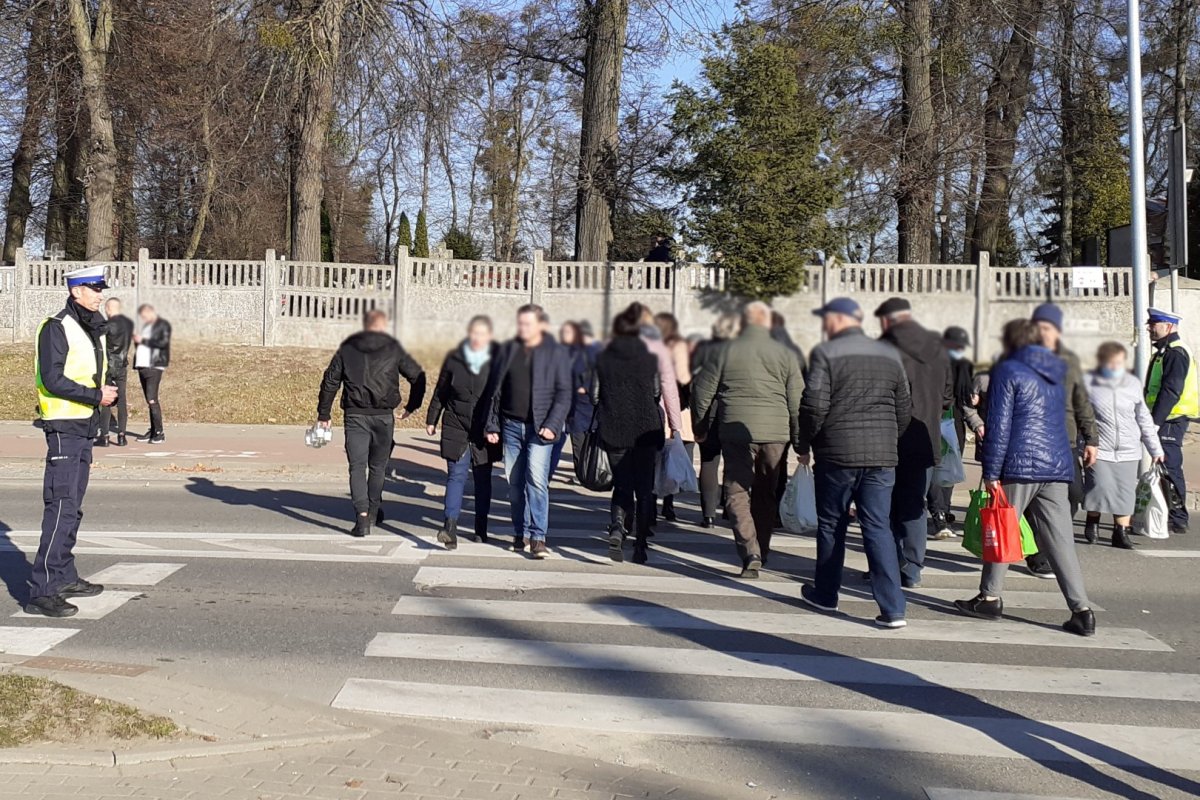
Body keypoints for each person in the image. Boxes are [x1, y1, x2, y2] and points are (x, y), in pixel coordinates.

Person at [954, 319, 1096, 637]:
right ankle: (1082, 610)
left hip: (1019, 463)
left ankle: (990, 597)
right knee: (1060, 541)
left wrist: (991, 471)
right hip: (1056, 464)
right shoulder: (1056, 373)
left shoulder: (1008, 371)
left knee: (1002, 529)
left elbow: (1000, 424)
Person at [797, 298, 912, 628]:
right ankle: (893, 608)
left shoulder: (826, 353)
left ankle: (827, 594)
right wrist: (890, 438)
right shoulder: (889, 354)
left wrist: (807, 443)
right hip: (882, 455)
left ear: (837, 320)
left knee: (832, 523)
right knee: (878, 526)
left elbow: (814, 406)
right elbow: (903, 408)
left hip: (838, 453)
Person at [27, 265, 119, 617]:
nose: (100, 294)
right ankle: (43, 589)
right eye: (94, 289)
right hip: (64, 427)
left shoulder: (90, 328)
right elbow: (51, 379)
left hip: (82, 427)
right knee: (61, 506)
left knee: (72, 507)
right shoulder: (57, 327)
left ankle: (64, 574)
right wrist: (95, 396)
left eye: (100, 289)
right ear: (76, 291)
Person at [692, 301, 803, 577]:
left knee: (736, 490)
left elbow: (702, 392)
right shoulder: (786, 353)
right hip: (776, 433)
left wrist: (701, 426)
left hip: (735, 430)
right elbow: (797, 400)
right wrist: (800, 439)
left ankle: (749, 548)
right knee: (766, 493)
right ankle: (762, 550)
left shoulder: (724, 350)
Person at [317, 309, 426, 537]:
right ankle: (374, 510)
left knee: (357, 467)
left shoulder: (348, 349)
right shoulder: (394, 349)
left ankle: (362, 517)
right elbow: (418, 377)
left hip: (356, 415)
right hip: (384, 415)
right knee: (378, 467)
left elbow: (330, 381)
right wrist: (411, 406)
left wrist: (324, 415)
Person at [874, 297, 953, 589]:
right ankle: (913, 567)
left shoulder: (886, 348)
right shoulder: (938, 349)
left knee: (884, 506)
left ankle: (889, 564)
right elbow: (947, 397)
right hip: (925, 438)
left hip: (888, 438)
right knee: (914, 506)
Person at [485, 304, 572, 558]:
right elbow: (495, 391)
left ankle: (537, 537)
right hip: (511, 427)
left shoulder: (555, 353)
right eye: (520, 323)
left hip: (541, 429)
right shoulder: (508, 350)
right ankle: (519, 532)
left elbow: (564, 394)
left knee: (536, 479)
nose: (523, 328)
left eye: (528, 324)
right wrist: (492, 425)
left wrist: (552, 425)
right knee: (514, 485)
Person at [1028, 302, 1098, 576]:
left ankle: (1046, 540)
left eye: (1049, 328)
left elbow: (1082, 402)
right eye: (1040, 328)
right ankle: (1040, 553)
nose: (1044, 333)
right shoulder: (1023, 360)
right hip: (1033, 443)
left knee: (1075, 495)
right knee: (1033, 501)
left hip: (1065, 442)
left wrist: (1091, 439)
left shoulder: (1069, 360)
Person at [593, 307, 664, 564]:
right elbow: (656, 393)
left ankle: (616, 528)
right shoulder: (649, 357)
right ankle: (641, 544)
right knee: (644, 489)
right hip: (645, 428)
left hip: (615, 427)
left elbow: (594, 395)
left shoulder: (603, 358)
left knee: (622, 485)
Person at [426, 315, 501, 549]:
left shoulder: (497, 361)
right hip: (456, 423)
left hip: (484, 427)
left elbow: (500, 397)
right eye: (474, 333)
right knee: (456, 476)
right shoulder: (455, 358)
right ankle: (450, 527)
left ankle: (481, 527)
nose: (477, 338)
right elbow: (441, 391)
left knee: (482, 478)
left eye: (482, 334)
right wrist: (432, 419)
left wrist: (496, 426)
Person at [1083, 342, 1164, 548]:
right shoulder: (1088, 383)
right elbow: (1080, 415)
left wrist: (1155, 448)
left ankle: (1120, 533)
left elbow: (1143, 417)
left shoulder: (1132, 384)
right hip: (1100, 448)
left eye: (1119, 363)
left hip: (1128, 448)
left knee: (1125, 491)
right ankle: (1092, 521)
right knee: (1099, 486)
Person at [1145, 307, 1198, 535]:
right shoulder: (1163, 352)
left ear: (1168, 326)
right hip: (1164, 418)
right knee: (1161, 465)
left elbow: (1171, 390)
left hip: (1171, 419)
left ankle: (1178, 518)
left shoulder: (1176, 353)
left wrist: (1155, 421)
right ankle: (1165, 513)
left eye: (1153, 324)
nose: (1149, 328)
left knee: (1169, 466)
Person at [927, 326, 978, 539]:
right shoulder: (953, 364)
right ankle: (941, 511)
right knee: (942, 466)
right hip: (945, 420)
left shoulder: (953, 363)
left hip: (943, 418)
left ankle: (941, 511)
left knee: (942, 465)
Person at [690, 314, 739, 528]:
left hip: (711, 410)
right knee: (733, 462)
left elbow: (697, 387)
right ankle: (731, 509)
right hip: (735, 412)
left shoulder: (706, 351)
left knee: (709, 462)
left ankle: (708, 514)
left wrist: (698, 423)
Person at [654, 312, 693, 522]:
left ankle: (649, 507)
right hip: (675, 409)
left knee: (653, 461)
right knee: (673, 459)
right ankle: (668, 504)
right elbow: (683, 380)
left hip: (655, 411)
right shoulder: (677, 349)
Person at [550, 321, 597, 480]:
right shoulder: (559, 352)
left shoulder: (587, 354)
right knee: (554, 446)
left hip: (580, 411)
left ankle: (585, 477)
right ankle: (546, 477)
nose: (565, 335)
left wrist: (584, 387)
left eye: (568, 332)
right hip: (560, 410)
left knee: (581, 448)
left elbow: (596, 377)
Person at [96, 297, 134, 448]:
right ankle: (122, 436)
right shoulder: (129, 324)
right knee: (122, 401)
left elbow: (97, 337)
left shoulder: (107, 325)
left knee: (106, 401)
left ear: (108, 309)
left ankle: (104, 436)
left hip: (108, 366)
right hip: (122, 366)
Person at [132, 304, 172, 444]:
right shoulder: (147, 327)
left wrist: (142, 340)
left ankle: (159, 432)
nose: (144, 319)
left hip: (154, 366)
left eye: (144, 316)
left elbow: (161, 343)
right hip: (143, 365)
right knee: (148, 400)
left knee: (152, 399)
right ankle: (153, 430)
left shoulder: (162, 325)